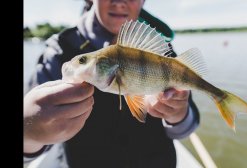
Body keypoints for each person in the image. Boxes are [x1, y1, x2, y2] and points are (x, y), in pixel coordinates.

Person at [24, 0, 200, 167]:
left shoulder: (162, 51)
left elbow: (185, 130)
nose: (119, 2)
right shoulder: (58, 52)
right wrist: (29, 131)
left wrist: (178, 115)